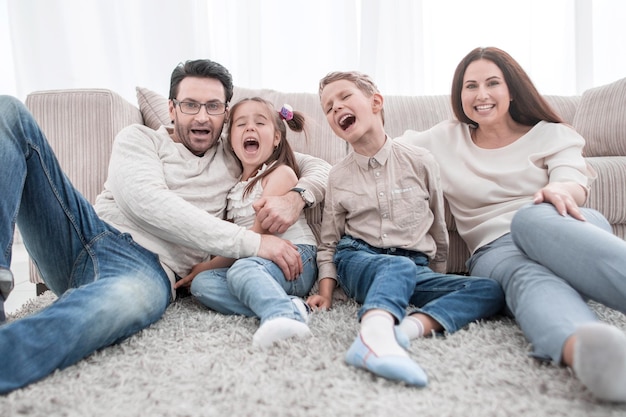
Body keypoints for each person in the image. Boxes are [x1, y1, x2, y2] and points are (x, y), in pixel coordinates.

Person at [0, 59, 330, 394]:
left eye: (213, 106)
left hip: (147, 269)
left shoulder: (235, 154)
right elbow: (146, 202)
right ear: (172, 108)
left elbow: (315, 164)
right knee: (8, 112)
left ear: (225, 114)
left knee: (100, 312)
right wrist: (254, 243)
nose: (202, 116)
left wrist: (297, 197)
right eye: (190, 104)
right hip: (84, 233)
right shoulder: (139, 138)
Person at [397, 46, 626, 402]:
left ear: (512, 89)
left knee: (530, 219)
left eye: (492, 83)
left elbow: (572, 181)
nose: (481, 94)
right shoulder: (444, 138)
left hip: (563, 228)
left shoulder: (552, 133)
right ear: (460, 95)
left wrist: (558, 189)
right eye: (470, 86)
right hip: (496, 250)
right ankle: (588, 354)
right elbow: (382, 149)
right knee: (528, 279)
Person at [310, 71, 504, 387]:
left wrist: (433, 274)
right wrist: (326, 292)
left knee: (489, 290)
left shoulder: (420, 160)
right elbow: (329, 242)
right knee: (395, 266)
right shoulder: (338, 176)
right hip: (359, 259)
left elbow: (438, 229)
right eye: (328, 108)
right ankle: (372, 338)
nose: (336, 109)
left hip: (413, 267)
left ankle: (404, 331)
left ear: (375, 102)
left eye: (344, 97)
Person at [174, 98, 317, 348]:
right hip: (254, 262)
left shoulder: (280, 174)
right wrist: (201, 272)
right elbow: (230, 242)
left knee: (240, 271)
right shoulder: (234, 188)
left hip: (295, 257)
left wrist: (205, 266)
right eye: (240, 125)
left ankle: (281, 316)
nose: (250, 128)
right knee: (203, 285)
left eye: (259, 123)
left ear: (276, 138)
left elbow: (253, 240)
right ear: (230, 141)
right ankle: (292, 307)